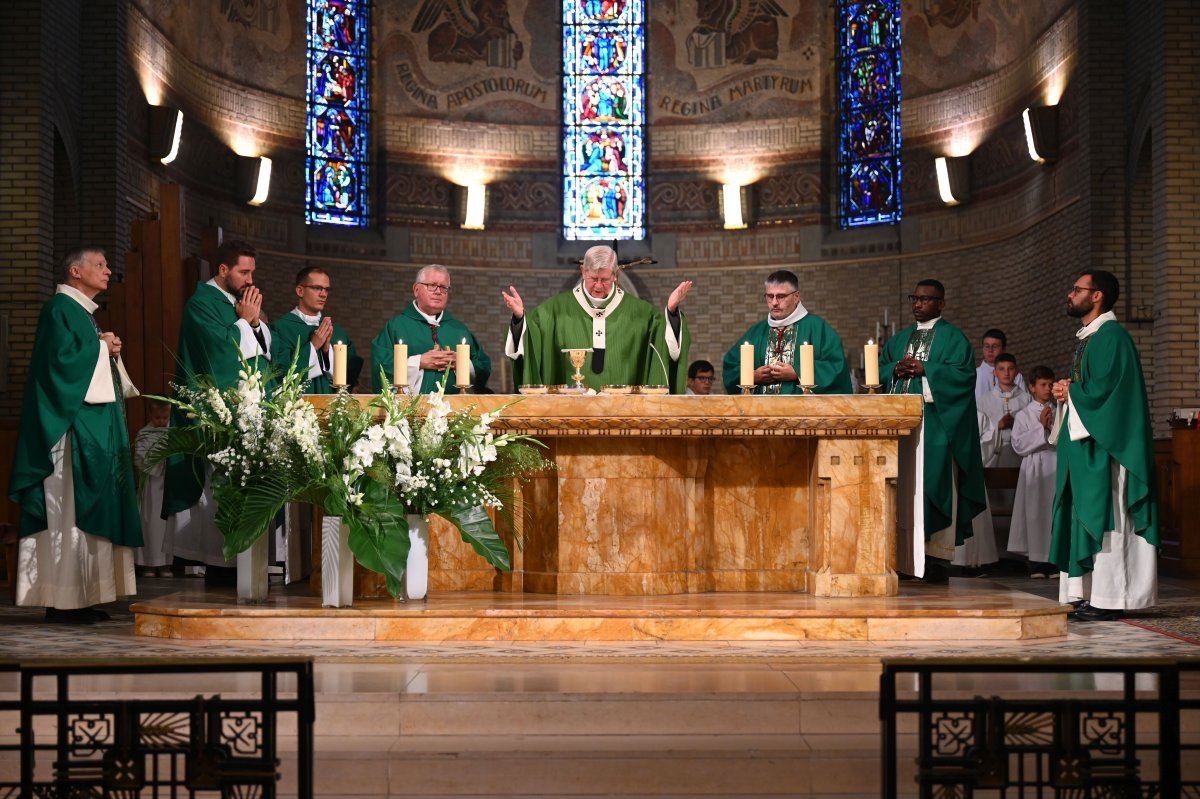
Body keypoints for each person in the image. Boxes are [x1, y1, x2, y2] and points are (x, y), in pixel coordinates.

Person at [8, 247, 142, 623]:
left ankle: (83, 597)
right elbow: (59, 365)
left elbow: (81, 356)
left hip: (89, 429)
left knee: (86, 512)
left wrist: (104, 347)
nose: (107, 270)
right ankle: (63, 601)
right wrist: (101, 348)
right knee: (68, 511)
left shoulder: (82, 314)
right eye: (99, 265)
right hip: (68, 433)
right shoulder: (59, 310)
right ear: (74, 270)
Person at [1050, 270, 1158, 621]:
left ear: (1097, 296)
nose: (1070, 294)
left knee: (1111, 518)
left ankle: (1114, 597)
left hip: (1110, 448)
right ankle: (1090, 593)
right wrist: (1066, 392)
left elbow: (1110, 392)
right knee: (1089, 514)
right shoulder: (1090, 337)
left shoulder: (1112, 338)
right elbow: (1090, 387)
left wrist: (1072, 393)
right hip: (1089, 444)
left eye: (1076, 289)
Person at [162, 239, 272, 574]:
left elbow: (264, 352)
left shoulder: (238, 303)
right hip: (212, 411)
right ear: (223, 270)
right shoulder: (203, 302)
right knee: (214, 488)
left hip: (244, 410)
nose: (250, 279)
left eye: (253, 272)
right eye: (243, 272)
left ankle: (238, 560)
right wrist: (245, 321)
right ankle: (216, 561)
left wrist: (253, 323)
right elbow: (218, 353)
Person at [882, 280, 987, 580]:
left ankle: (935, 560)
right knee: (902, 490)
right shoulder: (900, 339)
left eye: (926, 299)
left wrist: (927, 370)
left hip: (937, 426)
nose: (918, 304)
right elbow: (880, 368)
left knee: (933, 487)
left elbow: (964, 377)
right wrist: (895, 369)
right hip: (900, 428)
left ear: (941, 303)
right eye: (915, 298)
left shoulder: (954, 339)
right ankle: (903, 556)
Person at [502, 245, 693, 391]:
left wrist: (672, 311)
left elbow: (665, 345)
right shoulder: (553, 312)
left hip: (626, 415)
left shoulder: (643, 315)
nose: (599, 286)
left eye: (605, 279)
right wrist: (520, 319)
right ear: (583, 272)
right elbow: (531, 341)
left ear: (616, 275)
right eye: (593, 278)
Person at [720, 270, 853, 395]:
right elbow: (731, 367)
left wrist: (797, 372)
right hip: (762, 414)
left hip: (804, 415)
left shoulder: (818, 328)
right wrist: (752, 376)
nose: (774, 303)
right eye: (770, 296)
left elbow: (836, 368)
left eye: (781, 296)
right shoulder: (757, 332)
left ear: (796, 296)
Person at [371, 265, 491, 393]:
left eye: (444, 287)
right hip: (410, 409)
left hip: (456, 409)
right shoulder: (396, 327)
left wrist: (462, 363)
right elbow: (381, 368)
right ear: (416, 290)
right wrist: (418, 362)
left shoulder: (459, 330)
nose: (438, 291)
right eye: (432, 285)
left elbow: (482, 368)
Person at [271, 266, 363, 392]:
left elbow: (349, 378)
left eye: (326, 289)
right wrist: (312, 347)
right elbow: (278, 373)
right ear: (300, 291)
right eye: (317, 288)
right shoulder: (280, 329)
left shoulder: (337, 332)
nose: (323, 294)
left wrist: (326, 352)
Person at [1008, 366, 1058, 578]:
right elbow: (1018, 444)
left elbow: (1063, 440)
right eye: (1042, 385)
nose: (1047, 389)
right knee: (1036, 514)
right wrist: (1041, 428)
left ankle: (1055, 560)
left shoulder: (1060, 411)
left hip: (1054, 464)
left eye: (1050, 385)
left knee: (1053, 513)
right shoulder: (1023, 415)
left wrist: (1051, 427)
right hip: (1034, 468)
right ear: (1032, 387)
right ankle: (1037, 562)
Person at [134, 400, 174, 577]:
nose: (161, 421)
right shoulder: (144, 433)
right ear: (150, 415)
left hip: (169, 484)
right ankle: (149, 564)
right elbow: (140, 457)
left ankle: (166, 565)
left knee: (168, 525)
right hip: (151, 485)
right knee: (150, 524)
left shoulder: (174, 433)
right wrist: (159, 463)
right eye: (157, 417)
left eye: (165, 417)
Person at [975, 353, 1030, 467]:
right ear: (994, 372)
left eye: (1010, 369)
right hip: (993, 455)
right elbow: (978, 431)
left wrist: (1016, 423)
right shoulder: (984, 401)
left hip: (1021, 456)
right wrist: (998, 426)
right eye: (1001, 369)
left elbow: (1033, 428)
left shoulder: (1026, 398)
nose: (1006, 373)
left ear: (1016, 371)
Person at [975, 328, 1026, 397]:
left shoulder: (1015, 375)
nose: (990, 350)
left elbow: (1024, 402)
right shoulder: (975, 375)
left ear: (1003, 349)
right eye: (987, 346)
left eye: (994, 346)